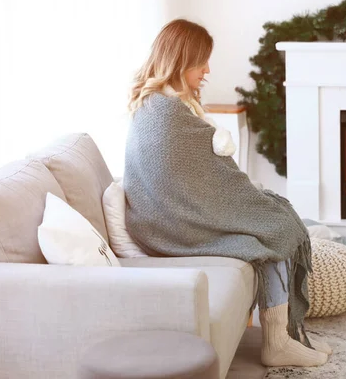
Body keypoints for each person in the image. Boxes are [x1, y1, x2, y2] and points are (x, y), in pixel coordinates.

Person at [123, 19, 331, 368]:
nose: (207, 70)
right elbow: (185, 179)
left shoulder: (160, 103)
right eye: (201, 62)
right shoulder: (167, 112)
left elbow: (202, 173)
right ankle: (277, 342)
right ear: (181, 59)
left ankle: (290, 334)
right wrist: (250, 199)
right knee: (275, 227)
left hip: (168, 217)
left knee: (270, 217)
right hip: (171, 225)